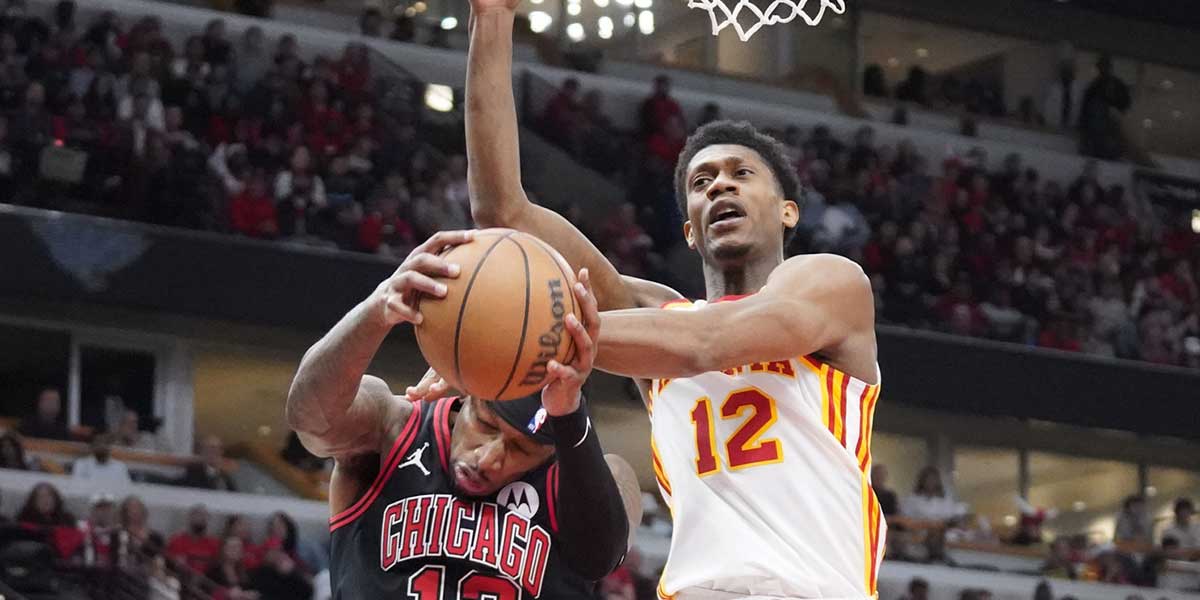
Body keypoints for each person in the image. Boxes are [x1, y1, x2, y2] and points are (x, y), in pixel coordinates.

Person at [447, 3, 885, 597]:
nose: (720, 185)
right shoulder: (655, 321)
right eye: (701, 184)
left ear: (788, 212)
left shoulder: (832, 284)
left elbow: (709, 344)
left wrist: (523, 333)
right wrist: (493, 22)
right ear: (690, 230)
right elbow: (503, 213)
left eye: (741, 174)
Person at [285, 230, 639, 598]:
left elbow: (602, 555)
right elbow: (311, 420)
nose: (488, 458)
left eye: (520, 450)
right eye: (486, 425)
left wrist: (569, 415)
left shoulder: (592, 478)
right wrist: (375, 313)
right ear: (467, 394)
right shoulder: (392, 427)